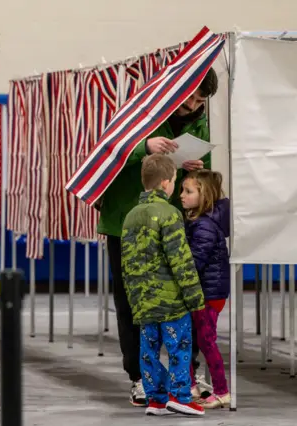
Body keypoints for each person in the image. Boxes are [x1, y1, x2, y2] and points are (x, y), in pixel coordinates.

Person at [97, 68, 219, 406]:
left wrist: (197, 172)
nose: (192, 105)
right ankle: (139, 378)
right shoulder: (141, 113)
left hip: (171, 222)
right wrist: (144, 146)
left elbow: (203, 177)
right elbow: (106, 153)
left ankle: (187, 375)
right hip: (127, 223)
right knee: (132, 303)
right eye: (188, 96)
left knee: (184, 297)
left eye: (199, 100)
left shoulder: (198, 121)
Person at [121, 154, 206, 416]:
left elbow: (126, 262)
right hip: (170, 301)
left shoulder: (130, 216)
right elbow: (180, 260)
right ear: (167, 183)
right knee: (179, 347)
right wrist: (195, 298)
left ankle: (156, 399)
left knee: (148, 351)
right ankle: (180, 395)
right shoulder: (170, 214)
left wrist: (133, 297)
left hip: (142, 300)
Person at [180, 170, 231, 408]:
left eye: (188, 191)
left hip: (208, 293)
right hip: (207, 292)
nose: (182, 196)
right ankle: (189, 386)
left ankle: (221, 391)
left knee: (206, 340)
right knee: (192, 339)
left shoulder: (204, 226)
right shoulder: (201, 222)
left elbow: (195, 260)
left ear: (205, 195)